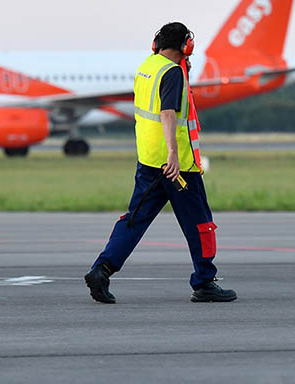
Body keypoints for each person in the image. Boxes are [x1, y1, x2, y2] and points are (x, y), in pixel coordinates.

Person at [84, 22, 237, 304]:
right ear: (185, 46)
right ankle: (204, 281)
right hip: (177, 167)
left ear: (157, 43)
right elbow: (168, 113)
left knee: (135, 219)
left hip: (148, 162)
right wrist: (174, 155)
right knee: (200, 223)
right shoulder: (171, 73)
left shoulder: (147, 67)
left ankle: (101, 270)